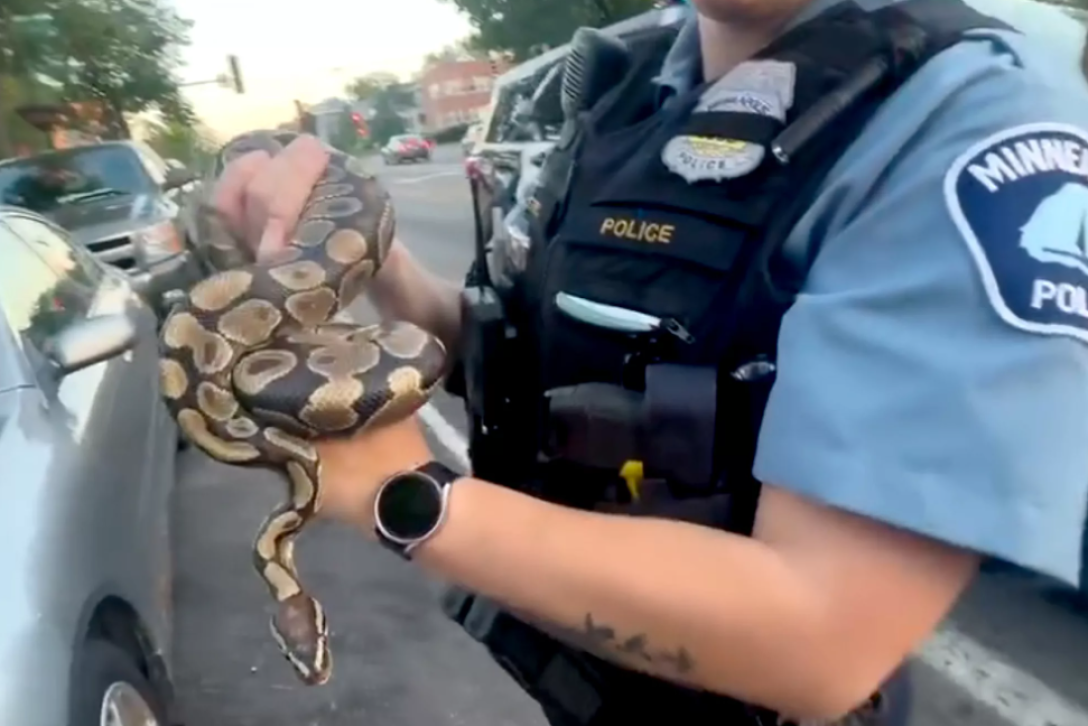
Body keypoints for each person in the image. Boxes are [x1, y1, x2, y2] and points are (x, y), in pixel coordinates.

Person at [207, 0, 1088, 723]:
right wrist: (364, 262)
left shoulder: (965, 113)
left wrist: (403, 495)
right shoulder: (632, 88)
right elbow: (521, 356)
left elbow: (823, 643)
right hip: (578, 692)